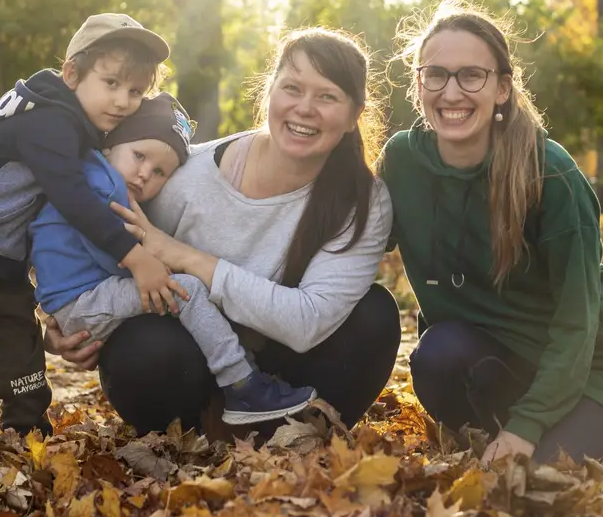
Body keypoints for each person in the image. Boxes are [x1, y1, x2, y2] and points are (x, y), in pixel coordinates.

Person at [44, 27, 401, 436]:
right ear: (269, 92)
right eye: (292, 88)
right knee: (144, 348)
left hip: (282, 378)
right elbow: (85, 241)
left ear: (355, 114)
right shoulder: (181, 177)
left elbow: (308, 323)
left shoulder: (363, 201)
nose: (305, 108)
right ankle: (192, 438)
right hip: (186, 373)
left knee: (374, 315)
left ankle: (290, 438)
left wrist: (187, 258)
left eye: (327, 96)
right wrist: (58, 325)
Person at [378, 0, 603, 464]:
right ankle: (506, 434)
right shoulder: (403, 161)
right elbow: (349, 244)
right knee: (436, 357)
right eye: (436, 74)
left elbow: (576, 326)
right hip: (498, 365)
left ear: (502, 88)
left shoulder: (550, 175)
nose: (451, 92)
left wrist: (527, 427)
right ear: (418, 83)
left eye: (471, 75)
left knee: (540, 477)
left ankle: (539, 429)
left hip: (594, 373)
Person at [0, 13, 178, 436]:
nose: (123, 101)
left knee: (22, 359)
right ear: (72, 74)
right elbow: (70, 198)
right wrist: (135, 256)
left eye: (136, 91)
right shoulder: (49, 119)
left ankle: (27, 433)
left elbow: (49, 226)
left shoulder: (86, 135)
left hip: (7, 264)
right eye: (111, 83)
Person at [28, 93, 317, 425]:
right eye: (138, 156)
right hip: (82, 304)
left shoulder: (90, 175)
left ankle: (243, 372)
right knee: (187, 290)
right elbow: (110, 254)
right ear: (110, 146)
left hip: (82, 301)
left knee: (185, 293)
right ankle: (244, 385)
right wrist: (157, 268)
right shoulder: (102, 190)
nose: (143, 174)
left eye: (159, 172)